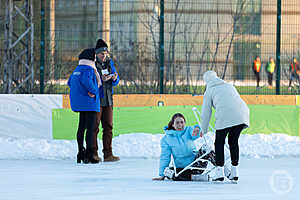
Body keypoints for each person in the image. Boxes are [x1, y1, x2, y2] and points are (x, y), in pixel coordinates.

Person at [200, 71, 249, 182]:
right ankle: (234, 172)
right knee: (233, 141)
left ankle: (219, 172)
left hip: (225, 116)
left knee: (219, 142)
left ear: (206, 81)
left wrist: (204, 129)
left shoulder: (209, 90)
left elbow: (206, 112)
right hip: (242, 115)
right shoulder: (229, 86)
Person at [68, 48, 102, 164]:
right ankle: (88, 154)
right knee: (91, 129)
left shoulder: (77, 69)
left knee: (81, 127)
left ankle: (80, 152)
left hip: (81, 103)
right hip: (90, 103)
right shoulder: (89, 69)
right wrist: (95, 90)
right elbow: (88, 83)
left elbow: (69, 82)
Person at [152, 113, 204, 181]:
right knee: (167, 172)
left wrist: (197, 128)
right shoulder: (166, 139)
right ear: (173, 124)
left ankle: (219, 168)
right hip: (182, 169)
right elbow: (165, 157)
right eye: (177, 122)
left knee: (205, 149)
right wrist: (162, 175)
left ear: (185, 123)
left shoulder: (188, 130)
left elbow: (195, 134)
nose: (180, 125)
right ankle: (195, 177)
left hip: (196, 165)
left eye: (182, 122)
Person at [93, 39, 120, 162]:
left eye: (105, 54)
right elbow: (91, 81)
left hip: (108, 99)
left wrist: (114, 78)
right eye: (101, 54)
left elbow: (116, 79)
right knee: (94, 127)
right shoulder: (92, 64)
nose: (104, 56)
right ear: (96, 54)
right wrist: (100, 80)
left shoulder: (110, 63)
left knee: (108, 127)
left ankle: (108, 154)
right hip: (98, 100)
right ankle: (93, 153)